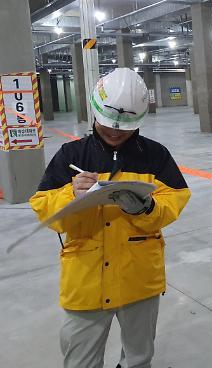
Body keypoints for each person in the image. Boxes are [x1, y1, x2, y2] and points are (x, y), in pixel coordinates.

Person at [30, 68, 191, 368]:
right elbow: (43, 208)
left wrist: (146, 209)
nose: (116, 132)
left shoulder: (155, 156)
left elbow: (176, 198)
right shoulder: (70, 155)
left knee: (138, 359)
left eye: (125, 127)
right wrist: (70, 196)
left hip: (139, 277)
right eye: (109, 125)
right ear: (95, 110)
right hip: (87, 278)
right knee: (80, 361)